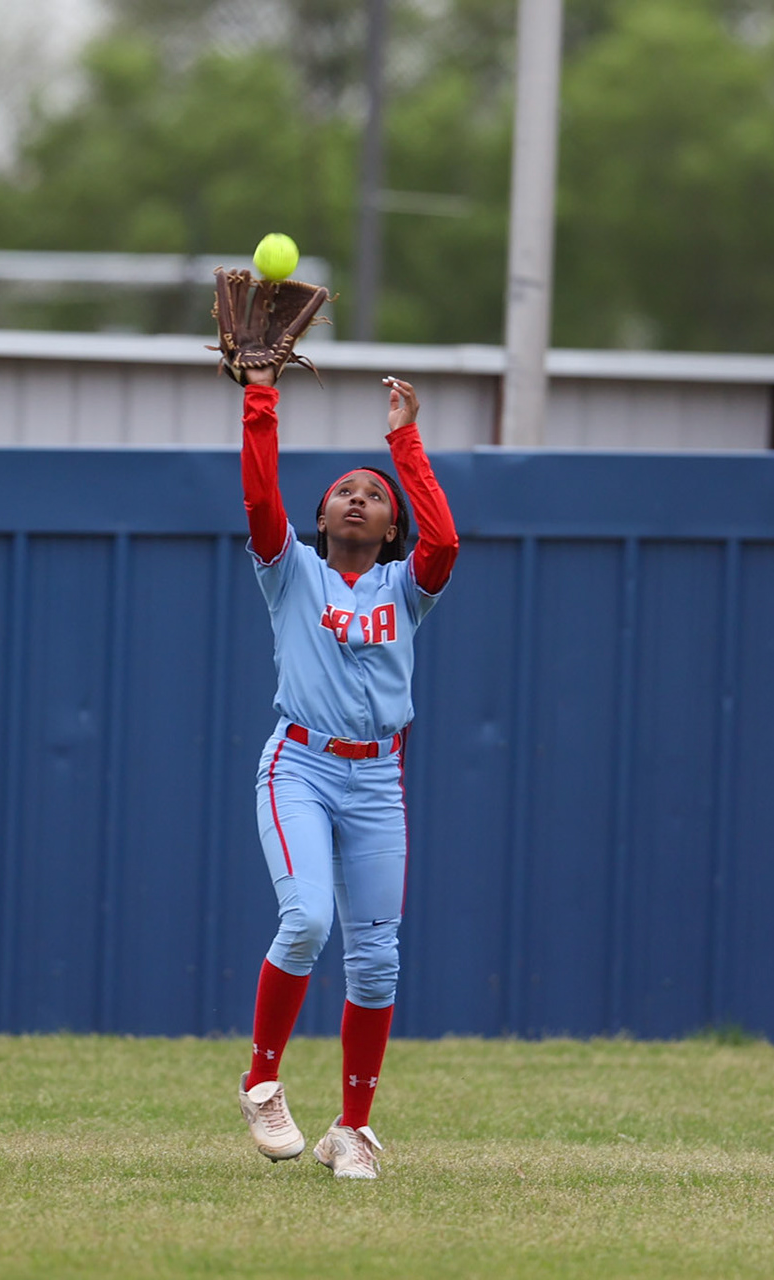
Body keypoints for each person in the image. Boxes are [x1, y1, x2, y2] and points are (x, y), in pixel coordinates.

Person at [233, 366, 459, 1180]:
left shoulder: (408, 586)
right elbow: (260, 499)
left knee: (378, 959)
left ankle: (351, 1131)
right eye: (344, 491)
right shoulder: (290, 569)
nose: (359, 498)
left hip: (376, 783)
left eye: (375, 493)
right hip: (299, 763)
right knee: (305, 923)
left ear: (392, 523)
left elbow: (446, 544)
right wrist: (261, 397)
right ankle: (261, 1081)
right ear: (321, 517)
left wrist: (403, 440)